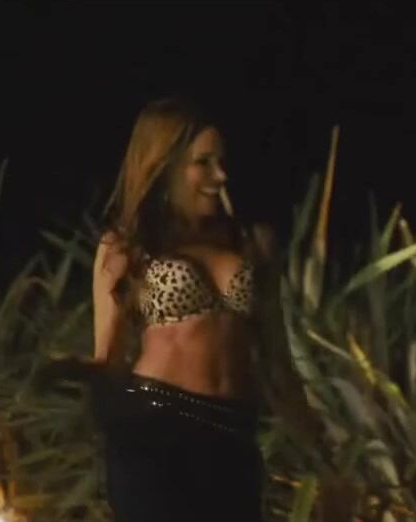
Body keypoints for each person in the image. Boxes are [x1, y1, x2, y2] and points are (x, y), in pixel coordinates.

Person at [86, 96, 276, 522]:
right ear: (165, 165)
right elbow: (107, 358)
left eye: (221, 161)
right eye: (203, 163)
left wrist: (320, 448)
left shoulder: (251, 241)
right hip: (156, 428)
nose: (220, 175)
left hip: (232, 434)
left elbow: (276, 356)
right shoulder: (125, 245)